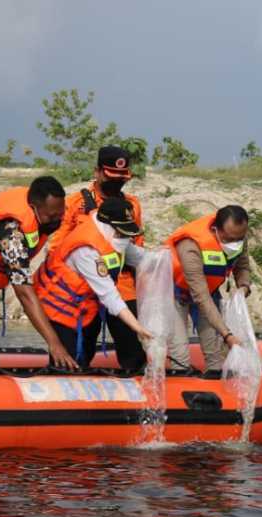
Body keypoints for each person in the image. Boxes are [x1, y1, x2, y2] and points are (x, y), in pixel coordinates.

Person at [0, 176, 78, 369]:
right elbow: (24, 293)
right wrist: (54, 343)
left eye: (59, 215)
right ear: (34, 207)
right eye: (51, 217)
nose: (56, 221)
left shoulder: (41, 213)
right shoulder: (11, 234)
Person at [48, 146, 146, 368]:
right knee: (81, 348)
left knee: (132, 348)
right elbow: (57, 249)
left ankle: (135, 384)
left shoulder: (132, 206)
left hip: (122, 284)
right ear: (98, 172)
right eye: (112, 176)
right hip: (82, 289)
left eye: (123, 177)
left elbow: (136, 247)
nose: (117, 182)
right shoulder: (75, 204)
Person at [35, 196, 154, 368]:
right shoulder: (87, 249)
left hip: (86, 305)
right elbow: (110, 296)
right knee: (69, 359)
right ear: (108, 225)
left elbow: (140, 257)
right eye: (121, 232)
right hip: (60, 306)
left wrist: (168, 259)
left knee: (87, 349)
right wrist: (138, 328)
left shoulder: (113, 236)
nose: (124, 237)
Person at [164, 206, 253, 371]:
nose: (235, 244)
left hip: (210, 291)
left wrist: (244, 287)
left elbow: (242, 266)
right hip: (176, 294)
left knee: (215, 355)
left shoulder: (238, 237)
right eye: (229, 239)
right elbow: (201, 297)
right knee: (180, 357)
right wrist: (227, 335)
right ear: (216, 230)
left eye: (239, 239)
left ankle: (219, 384)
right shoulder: (190, 246)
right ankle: (178, 376)